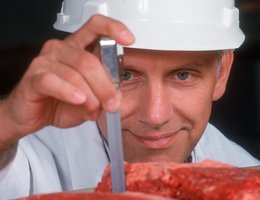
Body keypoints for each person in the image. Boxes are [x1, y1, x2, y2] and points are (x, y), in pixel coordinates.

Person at [0, 0, 259, 199]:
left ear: (221, 72)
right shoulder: (26, 157)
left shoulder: (245, 172)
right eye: (125, 75)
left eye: (182, 75)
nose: (155, 115)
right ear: (82, 62)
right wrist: (7, 121)